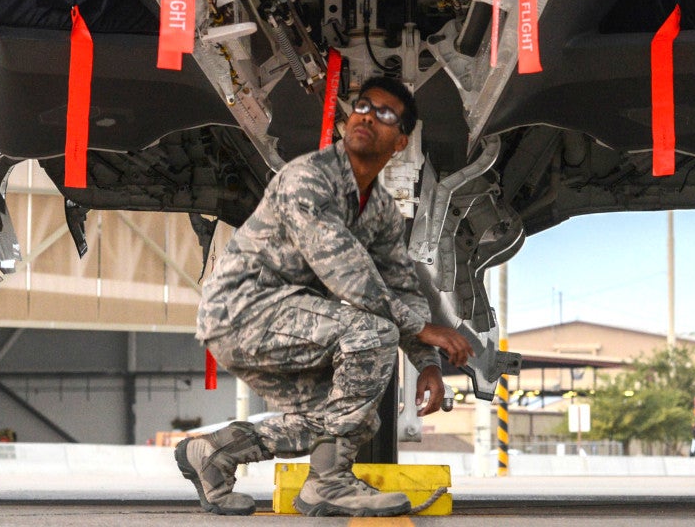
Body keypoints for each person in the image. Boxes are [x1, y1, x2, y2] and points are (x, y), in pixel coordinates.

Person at [177, 75, 474, 516]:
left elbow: (402, 288)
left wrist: (427, 363)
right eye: (363, 106)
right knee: (372, 335)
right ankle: (329, 485)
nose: (367, 117)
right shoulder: (307, 178)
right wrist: (422, 329)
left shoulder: (381, 211)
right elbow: (346, 272)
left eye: (384, 114)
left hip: (287, 320)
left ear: (400, 143)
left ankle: (214, 453)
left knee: (354, 417)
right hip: (243, 311)